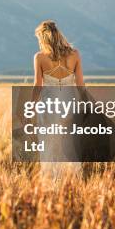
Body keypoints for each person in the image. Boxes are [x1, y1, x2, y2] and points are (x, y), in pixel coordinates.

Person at [33, 20, 84, 178]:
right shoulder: (74, 54)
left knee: (49, 142)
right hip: (70, 103)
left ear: (43, 38)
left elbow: (37, 85)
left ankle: (53, 179)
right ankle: (74, 179)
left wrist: (31, 108)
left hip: (49, 105)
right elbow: (81, 84)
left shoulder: (40, 57)